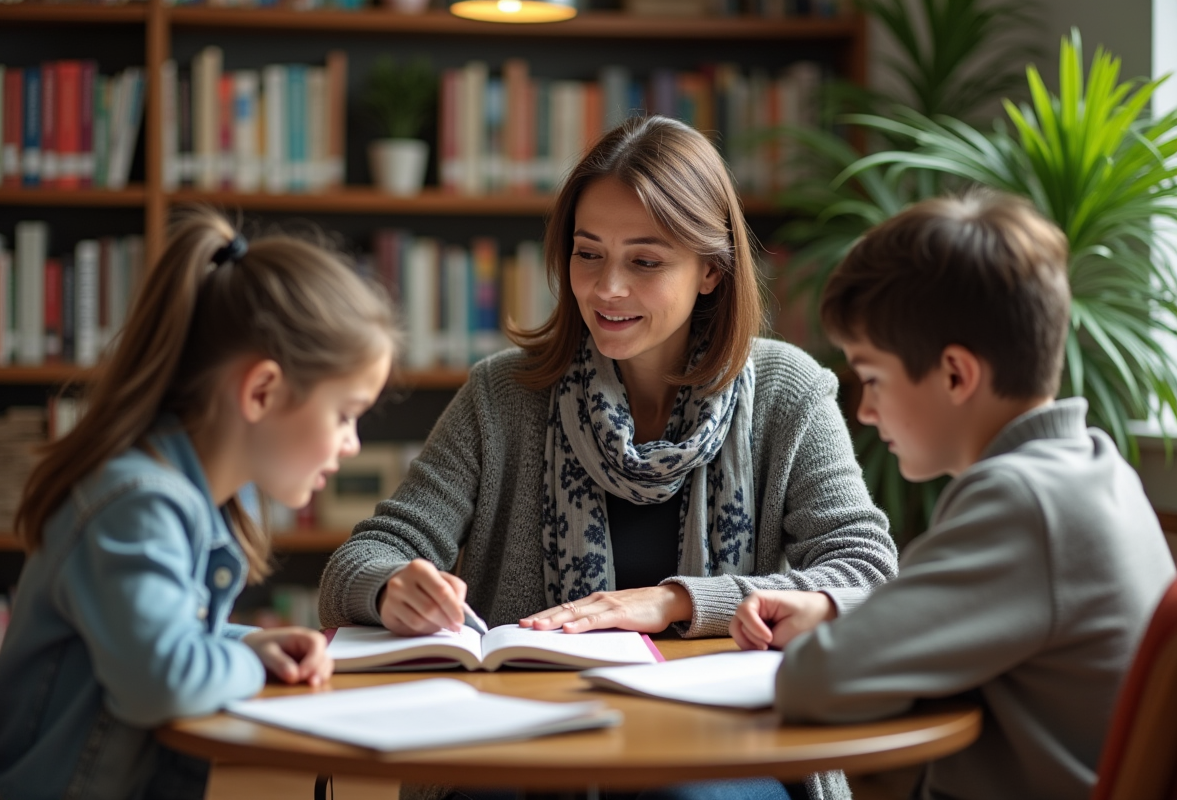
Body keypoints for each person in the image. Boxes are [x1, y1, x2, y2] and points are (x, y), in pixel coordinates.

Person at [319, 115, 897, 800]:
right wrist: (392, 589)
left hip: (725, 752)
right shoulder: (502, 394)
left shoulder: (787, 393)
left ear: (711, 270)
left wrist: (679, 602)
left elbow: (866, 576)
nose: (606, 288)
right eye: (588, 254)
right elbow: (360, 561)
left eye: (645, 262)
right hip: (531, 743)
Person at [730, 190, 1177, 800]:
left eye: (874, 377)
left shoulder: (1021, 503)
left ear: (955, 375)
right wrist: (839, 610)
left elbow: (817, 682)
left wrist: (836, 637)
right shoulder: (1095, 468)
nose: (864, 408)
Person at [0, 210, 399, 800]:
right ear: (262, 392)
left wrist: (247, 642)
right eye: (345, 414)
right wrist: (252, 668)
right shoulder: (139, 504)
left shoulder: (190, 494)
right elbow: (163, 679)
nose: (351, 443)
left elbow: (156, 634)